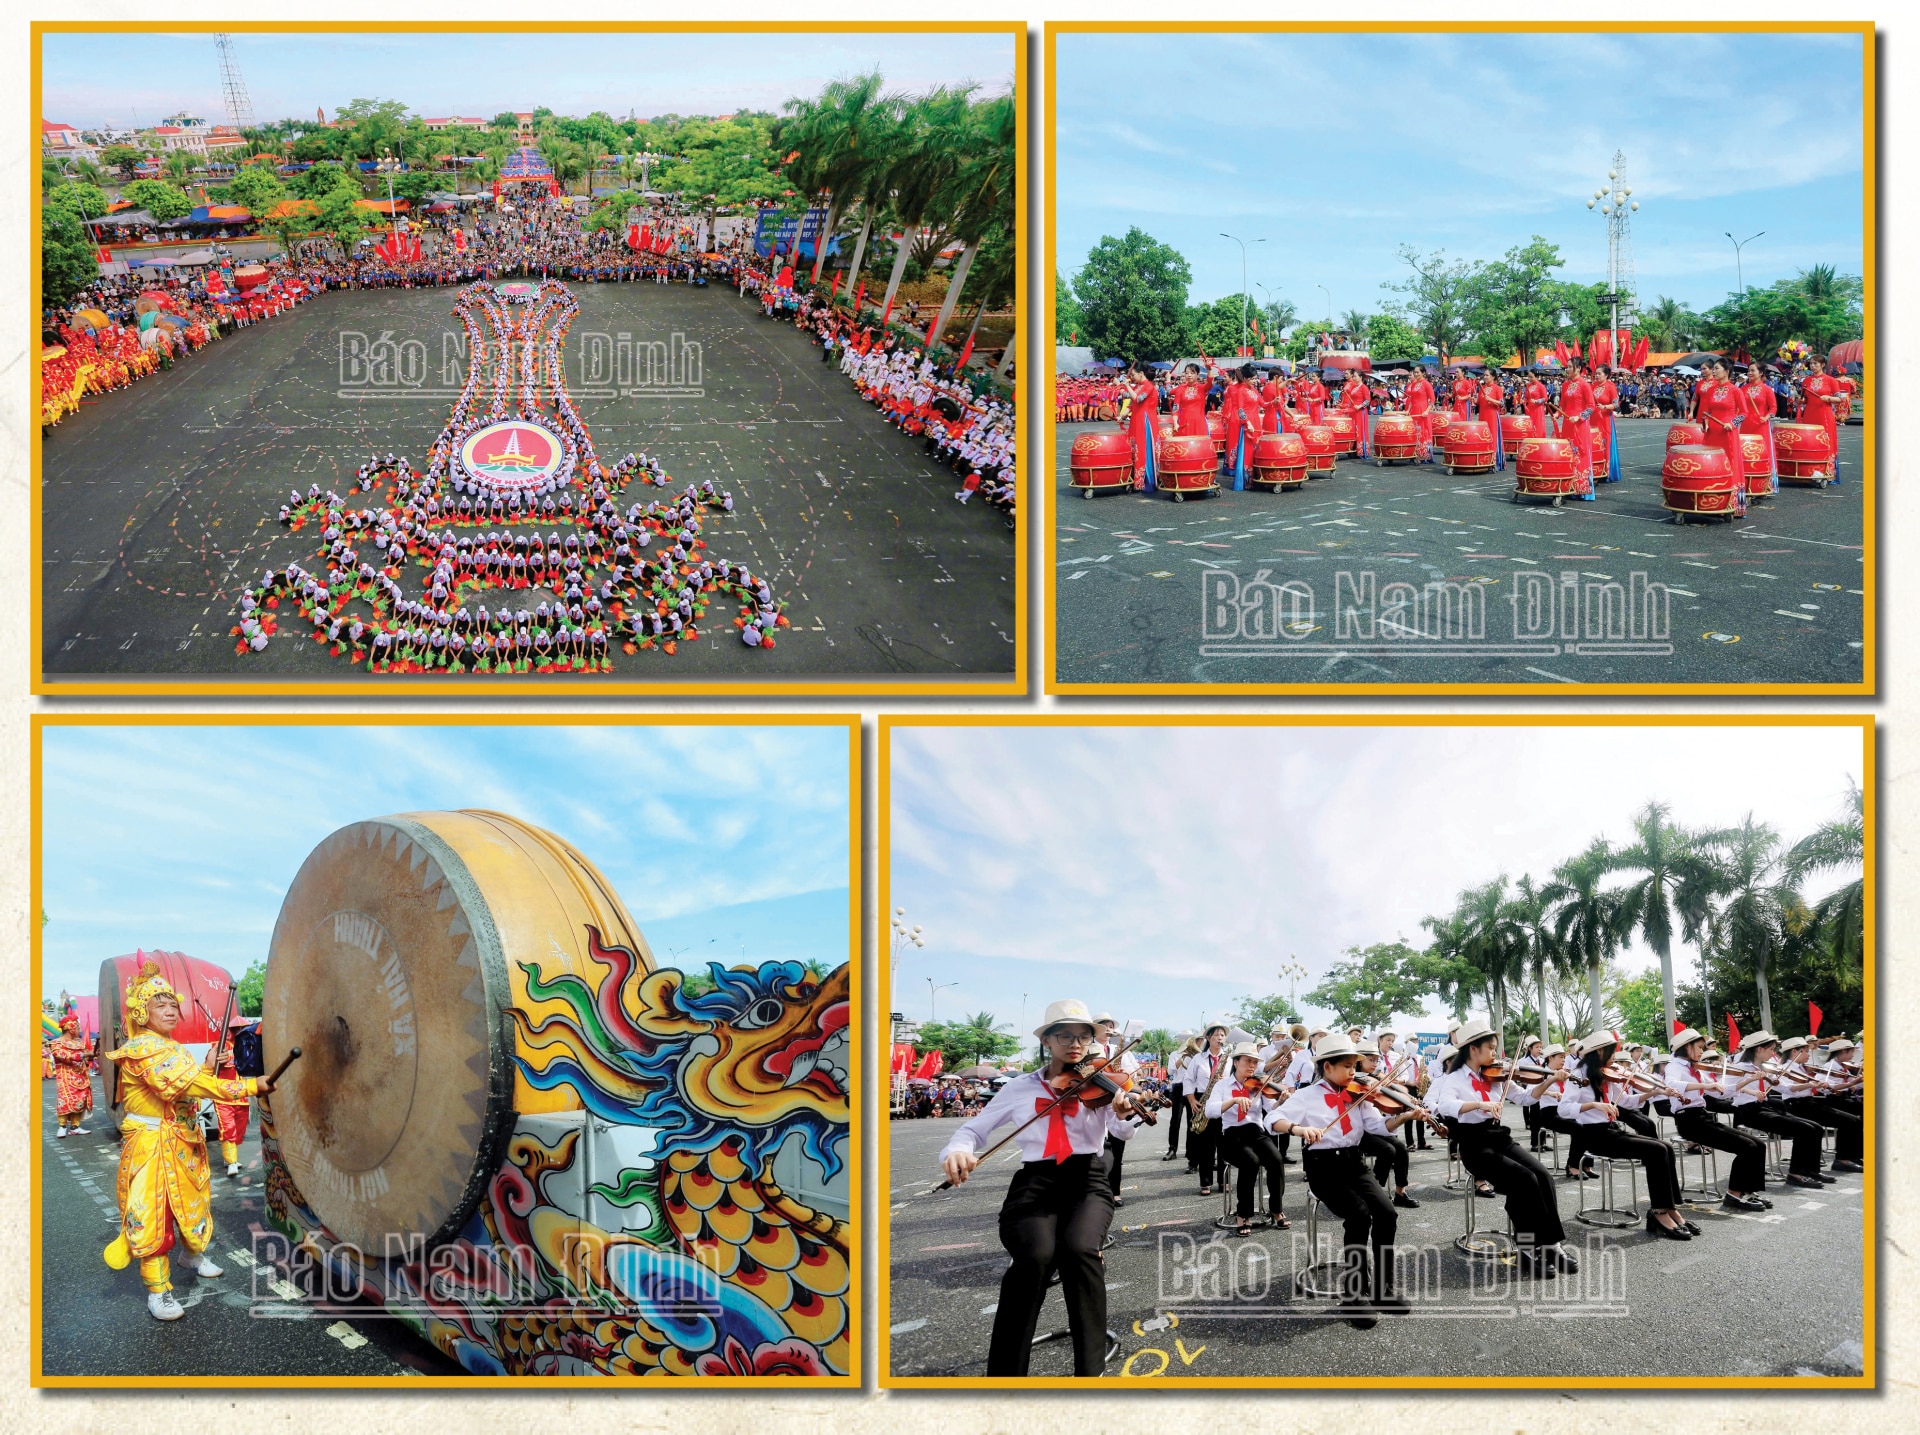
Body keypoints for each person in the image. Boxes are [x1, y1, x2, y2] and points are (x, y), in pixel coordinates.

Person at [939, 998, 1124, 1377]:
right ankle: (1005, 1376)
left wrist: (1123, 1111)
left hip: (1087, 1180)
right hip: (1035, 1182)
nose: (1075, 1044)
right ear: (1048, 1041)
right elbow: (974, 1129)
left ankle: (1090, 1373)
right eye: (1065, 1036)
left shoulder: (1101, 1082)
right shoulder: (1020, 1087)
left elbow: (1122, 1131)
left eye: (1083, 1037)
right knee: (1034, 1257)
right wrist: (958, 1150)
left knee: (1079, 1250)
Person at [103, 960, 277, 1321]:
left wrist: (208, 1064)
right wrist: (247, 1085)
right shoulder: (142, 1049)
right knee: (154, 1215)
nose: (170, 1011)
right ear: (142, 1012)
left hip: (182, 1141)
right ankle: (158, 1290)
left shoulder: (171, 1046)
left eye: (172, 1005)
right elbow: (185, 1086)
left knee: (193, 1204)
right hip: (153, 1147)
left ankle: (191, 1254)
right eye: (159, 1005)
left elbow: (187, 1083)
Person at [1270, 1034, 1407, 1325]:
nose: (1353, 1072)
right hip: (1323, 1168)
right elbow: (1273, 1120)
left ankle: (1382, 1288)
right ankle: (1354, 1294)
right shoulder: (1306, 1095)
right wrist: (1298, 1129)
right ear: (1327, 1066)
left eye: (1354, 1065)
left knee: (1387, 1213)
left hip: (1354, 1163)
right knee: (1358, 1215)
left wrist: (1404, 1117)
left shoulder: (1357, 1095)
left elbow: (1379, 1126)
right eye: (1347, 1066)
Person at [1428, 1019, 1577, 1276]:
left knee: (1542, 1176)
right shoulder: (1452, 1079)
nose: (1496, 1054)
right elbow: (1445, 1106)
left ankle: (1551, 1245)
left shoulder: (1495, 1075)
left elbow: (1525, 1097)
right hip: (1475, 1146)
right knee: (1525, 1181)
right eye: (1492, 1048)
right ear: (1474, 1049)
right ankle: (1528, 1250)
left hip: (1499, 1138)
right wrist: (1479, 1105)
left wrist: (1549, 1081)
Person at [1556, 1030, 1694, 1240]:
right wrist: (1594, 1104)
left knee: (1664, 1146)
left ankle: (1670, 1207)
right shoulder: (1578, 1075)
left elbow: (1626, 1102)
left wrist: (1654, 1092)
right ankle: (1658, 1213)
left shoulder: (1605, 1073)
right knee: (1656, 1150)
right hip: (1593, 1136)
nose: (1615, 1057)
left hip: (1611, 1131)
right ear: (1600, 1051)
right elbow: (1563, 1109)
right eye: (1612, 1052)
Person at [1665, 1027, 1772, 1210]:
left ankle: (1748, 1191)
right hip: (1689, 1121)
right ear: (1686, 1047)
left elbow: (1723, 1093)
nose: (1702, 1051)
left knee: (1758, 1145)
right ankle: (1733, 1195)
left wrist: (1748, 1080)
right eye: (1699, 1047)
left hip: (1702, 1118)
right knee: (1747, 1147)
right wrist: (1706, 1084)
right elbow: (1672, 1085)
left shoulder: (1696, 1068)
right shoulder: (1673, 1066)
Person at [1204, 1042, 1289, 1234]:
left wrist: (1281, 1101)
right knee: (1250, 1161)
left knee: (1276, 1160)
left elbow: (1270, 1109)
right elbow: (1210, 1111)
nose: (1252, 1066)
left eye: (1254, 1062)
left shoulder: (1259, 1084)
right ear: (1236, 1062)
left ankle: (1276, 1209)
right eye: (1247, 1061)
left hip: (1255, 1132)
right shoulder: (1222, 1085)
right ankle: (1243, 1214)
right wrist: (1233, 1100)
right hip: (1231, 1135)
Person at [1778, 1035, 1864, 1173]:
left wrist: (1823, 1085)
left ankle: (1848, 1158)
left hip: (1809, 1103)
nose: (1809, 1054)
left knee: (1852, 1120)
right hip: (1797, 1105)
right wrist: (1813, 1084)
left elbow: (1819, 1087)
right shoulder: (1784, 1069)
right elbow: (1788, 1088)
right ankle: (1841, 1160)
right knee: (1847, 1121)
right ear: (1794, 1052)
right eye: (1805, 1051)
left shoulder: (1803, 1068)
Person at [1183, 1023, 1232, 1195]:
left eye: (1222, 1036)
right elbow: (1188, 1080)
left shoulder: (1230, 1059)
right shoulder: (1198, 1058)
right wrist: (1191, 1100)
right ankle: (1205, 1182)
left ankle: (1223, 1181)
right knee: (1206, 1144)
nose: (1220, 1038)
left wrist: (1226, 1079)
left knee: (1224, 1143)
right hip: (1203, 1098)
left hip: (1223, 1100)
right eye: (1216, 1035)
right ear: (1209, 1038)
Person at [1554, 362, 1597, 499]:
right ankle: (1568, 485)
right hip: (1568, 424)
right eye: (1567, 367)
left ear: (1578, 368)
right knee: (1568, 453)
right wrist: (1557, 414)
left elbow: (1591, 407)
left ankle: (1581, 488)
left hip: (1580, 424)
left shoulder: (1584, 384)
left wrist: (1579, 417)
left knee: (1580, 452)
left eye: (1570, 367)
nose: (1567, 369)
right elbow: (1562, 405)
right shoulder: (1565, 384)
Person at [49, 1010, 94, 1137]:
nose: (79, 1029)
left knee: (80, 1101)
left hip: (82, 1076)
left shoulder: (80, 1042)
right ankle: (62, 1127)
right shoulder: (57, 1043)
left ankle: (75, 1127)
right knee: (65, 1100)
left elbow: (85, 1058)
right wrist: (84, 1054)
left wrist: (91, 1056)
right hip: (66, 1077)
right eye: (78, 1027)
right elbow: (62, 1055)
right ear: (71, 1028)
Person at [1741, 364, 1779, 496]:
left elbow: (1773, 408)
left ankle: (1764, 484)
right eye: (1748, 371)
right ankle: (1746, 482)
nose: (1749, 373)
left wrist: (1767, 417)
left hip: (1761, 425)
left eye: (1753, 370)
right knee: (1745, 452)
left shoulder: (1767, 390)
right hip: (1745, 425)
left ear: (1761, 372)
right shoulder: (1743, 389)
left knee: (1762, 453)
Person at [1123, 361, 1159, 493]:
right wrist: (1121, 416)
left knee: (1143, 449)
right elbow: (1132, 404)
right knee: (1134, 448)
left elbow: (1137, 399)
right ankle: (1135, 479)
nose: (1132, 377)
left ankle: (1146, 480)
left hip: (1145, 421)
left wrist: (1127, 386)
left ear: (1141, 373)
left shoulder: (1149, 386)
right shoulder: (1138, 386)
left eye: (1133, 374)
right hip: (1136, 420)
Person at [1477, 370, 1507, 473]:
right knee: (1482, 437)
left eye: (1487, 375)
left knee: (1492, 437)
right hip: (1482, 416)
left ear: (1493, 377)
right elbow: (1479, 402)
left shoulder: (1497, 389)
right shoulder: (1482, 388)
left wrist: (1491, 399)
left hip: (1492, 416)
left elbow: (1502, 404)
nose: (1484, 377)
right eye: (1484, 375)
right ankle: (1483, 461)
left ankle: (1494, 462)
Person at [1404, 368, 1436, 462]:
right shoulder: (1413, 384)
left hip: (1423, 411)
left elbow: (1432, 399)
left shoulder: (1426, 384)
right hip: (1414, 411)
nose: (1416, 374)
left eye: (1418, 372)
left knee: (1424, 432)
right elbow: (1412, 400)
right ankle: (1415, 453)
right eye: (1415, 372)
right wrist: (1408, 410)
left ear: (1423, 373)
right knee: (1415, 432)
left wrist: (1427, 411)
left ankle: (1425, 455)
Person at [1339, 369, 1372, 457]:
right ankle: (1353, 449)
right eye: (1353, 376)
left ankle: (1361, 450)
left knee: (1360, 430)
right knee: (1354, 430)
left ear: (1360, 377)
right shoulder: (1354, 387)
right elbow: (1351, 400)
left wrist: (1360, 406)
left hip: (1360, 412)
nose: (1353, 377)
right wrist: (1346, 407)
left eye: (1355, 376)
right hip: (1353, 411)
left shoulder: (1364, 387)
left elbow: (1368, 400)